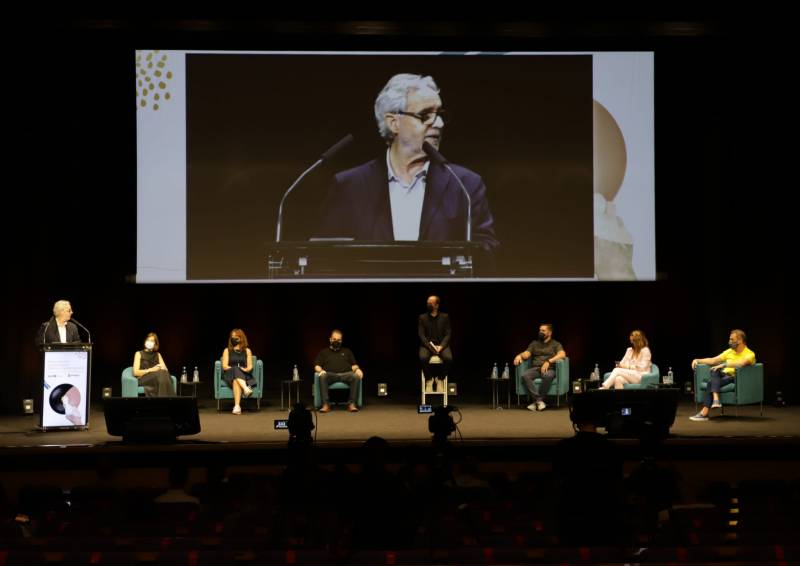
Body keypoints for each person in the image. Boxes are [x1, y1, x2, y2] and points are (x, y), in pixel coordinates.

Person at [319, 73, 498, 252]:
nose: (440, 123)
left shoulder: (465, 185)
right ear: (394, 123)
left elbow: (486, 250)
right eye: (425, 115)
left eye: (440, 114)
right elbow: (328, 256)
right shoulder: (349, 186)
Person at [689, 329, 755, 421]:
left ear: (740, 340)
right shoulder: (729, 351)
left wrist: (724, 364)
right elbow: (713, 360)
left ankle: (705, 413)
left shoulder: (750, 354)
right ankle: (716, 400)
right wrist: (697, 360)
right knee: (714, 370)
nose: (730, 342)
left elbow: (742, 363)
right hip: (723, 375)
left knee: (710, 383)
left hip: (735, 377)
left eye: (732, 339)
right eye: (729, 339)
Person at [513, 323, 567, 411]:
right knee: (525, 375)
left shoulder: (555, 344)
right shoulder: (534, 343)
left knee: (547, 376)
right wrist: (519, 355)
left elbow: (562, 354)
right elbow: (527, 354)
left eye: (543, 330)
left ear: (549, 333)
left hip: (549, 369)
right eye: (539, 330)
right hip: (536, 368)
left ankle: (536, 402)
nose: (540, 332)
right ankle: (539, 401)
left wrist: (548, 361)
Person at [314, 329, 363, 413]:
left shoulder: (347, 351)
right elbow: (317, 366)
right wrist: (321, 370)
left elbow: (354, 365)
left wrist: (358, 369)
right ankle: (326, 405)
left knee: (355, 376)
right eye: (334, 339)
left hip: (346, 374)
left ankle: (351, 404)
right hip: (330, 375)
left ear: (341, 340)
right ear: (330, 339)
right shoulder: (324, 352)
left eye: (339, 340)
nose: (336, 341)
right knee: (323, 376)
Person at [418, 295, 452, 392]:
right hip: (427, 345)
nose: (428, 304)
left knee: (448, 359)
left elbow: (448, 334)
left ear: (437, 305)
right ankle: (429, 379)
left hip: (441, 345)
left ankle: (440, 379)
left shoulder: (445, 317)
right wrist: (431, 347)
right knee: (422, 358)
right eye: (427, 303)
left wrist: (441, 346)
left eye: (431, 303)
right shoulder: (422, 317)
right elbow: (421, 335)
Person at [221, 328, 255, 415]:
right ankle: (246, 389)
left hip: (244, 375)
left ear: (241, 338)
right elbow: (224, 366)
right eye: (232, 337)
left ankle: (237, 407)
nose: (234, 339)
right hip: (229, 374)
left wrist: (245, 369)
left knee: (236, 379)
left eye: (236, 337)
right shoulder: (227, 350)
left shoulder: (247, 351)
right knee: (235, 369)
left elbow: (250, 366)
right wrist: (236, 369)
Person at [132, 332, 174, 397]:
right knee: (162, 374)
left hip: (158, 377)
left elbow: (165, 370)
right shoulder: (138, 353)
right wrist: (152, 369)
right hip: (144, 378)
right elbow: (136, 372)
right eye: (148, 340)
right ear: (145, 341)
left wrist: (161, 367)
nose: (149, 342)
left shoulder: (158, 355)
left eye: (152, 341)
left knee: (164, 373)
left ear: (155, 344)